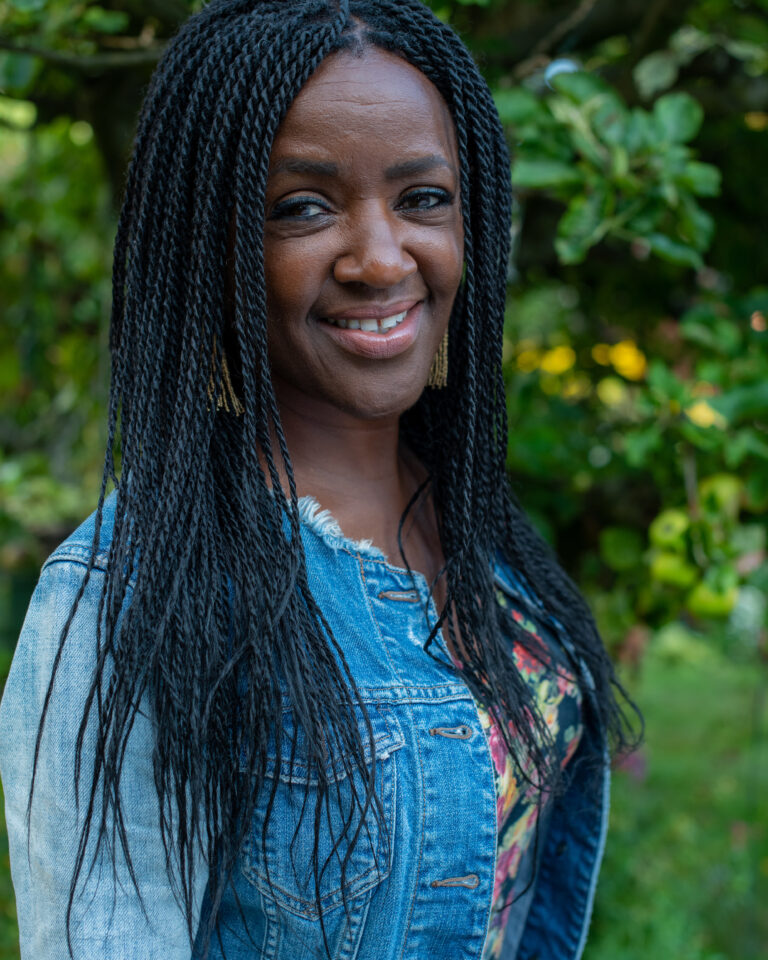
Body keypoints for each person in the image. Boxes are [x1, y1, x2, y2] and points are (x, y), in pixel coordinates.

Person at [0, 2, 639, 958]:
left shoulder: (476, 530)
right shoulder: (125, 600)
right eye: (302, 207)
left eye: (423, 198)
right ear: (213, 249)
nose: (382, 258)